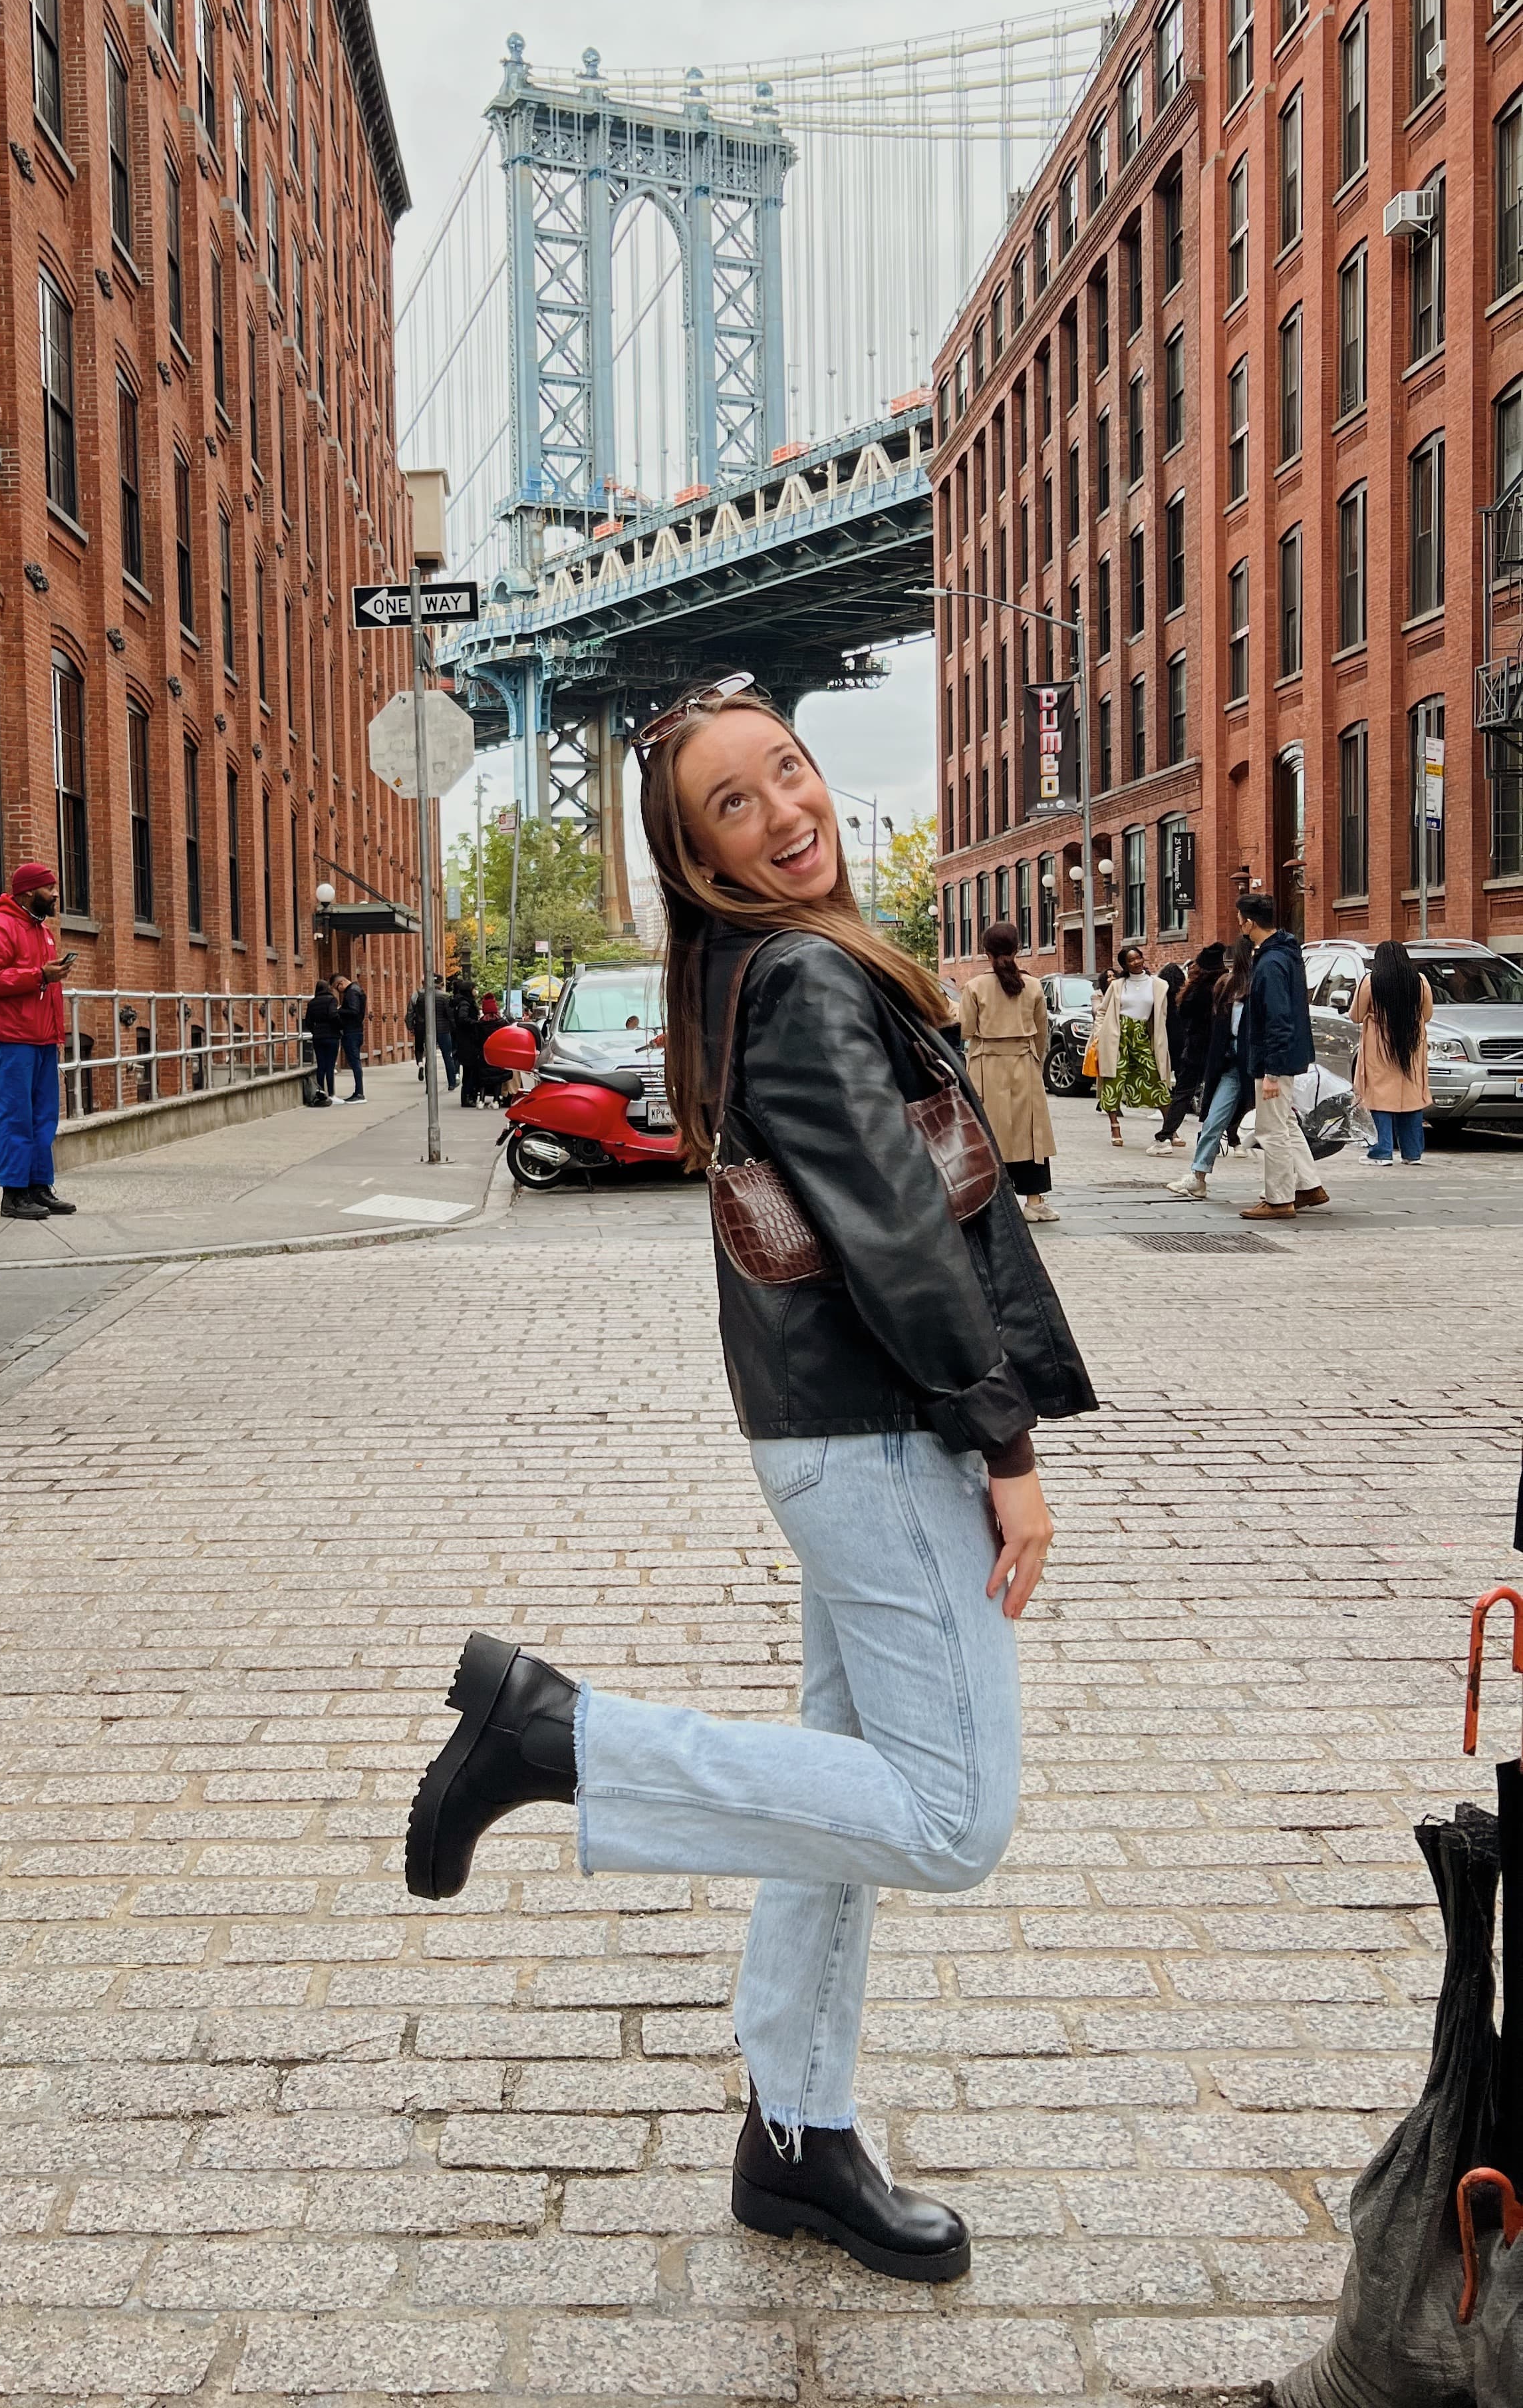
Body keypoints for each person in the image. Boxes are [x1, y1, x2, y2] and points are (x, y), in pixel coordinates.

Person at [404, 682, 1095, 2282]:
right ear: (699, 856)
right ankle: (557, 1738)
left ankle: (795, 2134)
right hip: (882, 1436)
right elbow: (898, 1230)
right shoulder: (801, 976)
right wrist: (1005, 1446)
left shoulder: (764, 968)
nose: (788, 812)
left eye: (788, 771)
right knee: (951, 1819)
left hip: (837, 1435)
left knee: (843, 1791)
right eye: (737, 803)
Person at [0, 861, 76, 1221]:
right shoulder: (0, 926)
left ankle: (39, 1186)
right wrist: (39, 975)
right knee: (17, 1115)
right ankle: (14, 1193)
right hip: (15, 1038)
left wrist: (56, 1031)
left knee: (44, 1116)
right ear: (29, 891)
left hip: (43, 1038)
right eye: (50, 888)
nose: (56, 895)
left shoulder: (42, 930)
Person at [955, 924, 1057, 1224]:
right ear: (1018, 949)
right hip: (1023, 1062)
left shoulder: (974, 987)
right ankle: (1034, 1202)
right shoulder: (1034, 986)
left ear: (985, 951)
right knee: (1030, 1134)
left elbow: (966, 1030)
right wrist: (1036, 1064)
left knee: (989, 1133)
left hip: (986, 1065)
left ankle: (991, 1201)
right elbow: (1042, 1033)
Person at [1236, 891, 1327, 1220]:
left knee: (1271, 1130)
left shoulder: (1271, 962)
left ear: (1250, 922)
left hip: (1274, 1059)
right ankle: (1309, 1185)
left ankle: (1279, 1199)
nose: (1238, 924)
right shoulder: (1284, 954)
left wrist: (1271, 1071)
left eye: (1240, 919)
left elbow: (1278, 1017)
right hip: (1284, 1056)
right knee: (1285, 1123)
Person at [1167, 936, 1255, 1201]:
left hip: (1260, 1066)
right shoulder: (1226, 985)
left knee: (1279, 1128)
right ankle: (1198, 1175)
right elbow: (1219, 1029)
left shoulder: (1263, 984)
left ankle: (1299, 1181)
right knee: (1213, 1120)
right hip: (1231, 1064)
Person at [1353, 939, 1432, 1165]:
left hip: (1379, 1046)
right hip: (1411, 1044)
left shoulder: (1371, 981)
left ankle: (1382, 1151)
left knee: (1378, 1095)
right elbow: (1427, 1015)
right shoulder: (1420, 981)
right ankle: (1412, 1153)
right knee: (1411, 1096)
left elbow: (1356, 1015)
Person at [1148, 943, 1226, 1154]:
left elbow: (1185, 1012)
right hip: (1221, 1048)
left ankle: (1165, 1136)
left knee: (1184, 1093)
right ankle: (1232, 1140)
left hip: (1197, 1048)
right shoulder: (1227, 985)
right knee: (1223, 1094)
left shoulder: (1198, 989)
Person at [1091, 943, 1171, 1146]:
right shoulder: (1117, 985)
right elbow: (1102, 1012)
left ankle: (1170, 1128)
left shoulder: (1158, 985)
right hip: (1117, 1035)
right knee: (1114, 1079)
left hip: (1142, 1035)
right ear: (1125, 966)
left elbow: (1162, 1016)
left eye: (1138, 958)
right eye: (1131, 960)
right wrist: (1098, 1036)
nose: (1136, 962)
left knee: (1155, 1077)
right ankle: (1114, 1126)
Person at [303, 975, 341, 1103]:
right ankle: (332, 1094)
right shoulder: (332, 1000)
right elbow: (333, 1015)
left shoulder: (312, 1003)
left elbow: (308, 1022)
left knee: (321, 1065)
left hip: (318, 1037)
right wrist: (340, 1027)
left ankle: (321, 1093)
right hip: (332, 1036)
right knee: (330, 1066)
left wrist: (315, 1031)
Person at [333, 971, 367, 1100]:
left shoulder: (352, 992)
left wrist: (339, 1010)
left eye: (337, 988)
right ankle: (358, 1092)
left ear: (341, 983)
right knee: (355, 1061)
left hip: (352, 1031)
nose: (338, 991)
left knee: (355, 1061)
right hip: (356, 1030)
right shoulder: (357, 990)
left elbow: (354, 1011)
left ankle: (359, 1093)